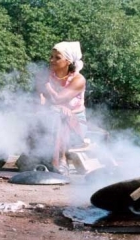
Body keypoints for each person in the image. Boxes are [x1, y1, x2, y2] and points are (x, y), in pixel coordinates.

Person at [37, 41, 87, 175]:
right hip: (51, 117)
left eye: (57, 58)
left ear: (68, 62)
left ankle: (60, 161)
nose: (52, 60)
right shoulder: (48, 75)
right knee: (50, 114)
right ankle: (31, 156)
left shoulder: (78, 80)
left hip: (75, 124)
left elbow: (57, 99)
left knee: (61, 116)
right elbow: (41, 100)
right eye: (51, 57)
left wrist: (46, 85)